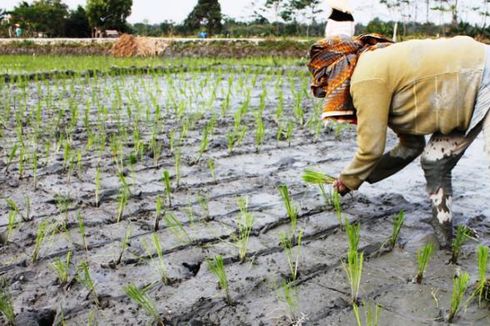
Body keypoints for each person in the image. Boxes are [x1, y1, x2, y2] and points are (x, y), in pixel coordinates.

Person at [308, 34, 490, 247]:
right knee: (435, 162)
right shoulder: (379, 67)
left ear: (337, 71)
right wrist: (363, 176)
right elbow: (411, 146)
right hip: (462, 92)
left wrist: (347, 181)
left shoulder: (366, 77)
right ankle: (445, 239)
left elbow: (370, 150)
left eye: (326, 81)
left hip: (480, 73)